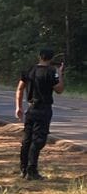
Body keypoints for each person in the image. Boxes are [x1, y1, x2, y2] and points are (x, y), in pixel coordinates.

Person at [15, 48, 65, 180]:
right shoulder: (51, 72)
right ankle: (32, 171)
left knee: (27, 140)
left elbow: (20, 88)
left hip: (30, 109)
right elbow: (59, 89)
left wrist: (18, 107)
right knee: (38, 140)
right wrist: (60, 73)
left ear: (39, 56)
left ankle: (23, 169)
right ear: (51, 58)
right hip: (44, 109)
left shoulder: (30, 70)